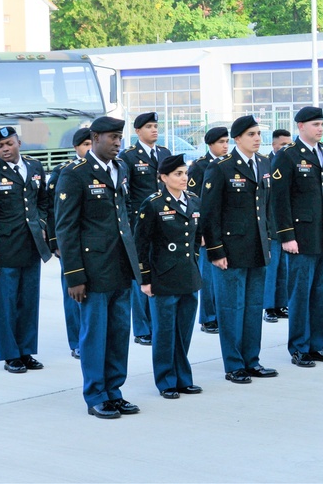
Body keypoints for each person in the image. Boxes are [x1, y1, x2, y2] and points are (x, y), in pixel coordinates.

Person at [54, 116, 143, 419]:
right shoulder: (75, 174)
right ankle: (95, 395)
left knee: (119, 333)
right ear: (94, 138)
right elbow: (66, 228)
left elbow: (124, 217)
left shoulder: (121, 169)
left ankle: (114, 392)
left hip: (120, 264)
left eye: (120, 137)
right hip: (92, 269)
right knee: (94, 335)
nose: (118, 143)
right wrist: (74, 276)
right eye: (112, 137)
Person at [202, 116, 278, 384]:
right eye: (251, 134)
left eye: (258, 134)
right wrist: (216, 250)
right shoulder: (221, 167)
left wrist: (269, 238)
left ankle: (251, 360)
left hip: (257, 246)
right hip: (230, 250)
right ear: (237, 139)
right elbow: (210, 213)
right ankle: (234, 364)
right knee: (231, 307)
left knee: (253, 306)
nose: (257, 139)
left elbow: (267, 207)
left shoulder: (264, 163)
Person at [0, 126, 52, 373]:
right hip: (4, 248)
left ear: (19, 142)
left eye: (9, 143)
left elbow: (43, 202)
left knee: (29, 302)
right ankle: (11, 355)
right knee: (6, 303)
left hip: (31, 246)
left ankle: (27, 351)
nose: (5, 149)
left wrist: (40, 224)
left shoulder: (35, 167)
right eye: (0, 146)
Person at [272, 106, 323, 367]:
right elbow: (280, 200)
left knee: (322, 292)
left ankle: (318, 345)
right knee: (300, 293)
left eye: (321, 123)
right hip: (301, 237)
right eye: (314, 124)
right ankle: (300, 347)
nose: (320, 128)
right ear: (300, 126)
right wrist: (287, 236)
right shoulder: (288, 155)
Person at [135, 154, 204, 398]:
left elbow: (196, 240)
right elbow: (141, 244)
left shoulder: (194, 201)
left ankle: (183, 378)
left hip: (188, 276)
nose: (184, 178)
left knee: (183, 332)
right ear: (163, 177)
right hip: (163, 277)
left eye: (185, 173)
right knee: (165, 333)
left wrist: (194, 263)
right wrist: (145, 279)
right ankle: (166, 380)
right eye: (178, 174)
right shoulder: (153, 204)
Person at [120, 111, 171, 346]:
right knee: (140, 274)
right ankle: (142, 328)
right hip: (139, 223)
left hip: (165, 221)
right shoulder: (128, 156)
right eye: (149, 126)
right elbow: (125, 193)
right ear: (137, 131)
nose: (154, 130)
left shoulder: (164, 153)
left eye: (156, 126)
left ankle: (158, 323)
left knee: (159, 270)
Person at [47, 127, 92, 359]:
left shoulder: (105, 171)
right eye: (85, 145)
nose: (90, 149)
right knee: (73, 295)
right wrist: (56, 243)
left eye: (92, 143)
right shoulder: (64, 172)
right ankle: (76, 341)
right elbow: (52, 211)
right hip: (71, 245)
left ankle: (92, 339)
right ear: (76, 148)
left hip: (95, 247)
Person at [187, 126, 229, 335]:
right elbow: (195, 200)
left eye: (227, 141)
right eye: (221, 142)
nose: (225, 146)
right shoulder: (199, 166)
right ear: (210, 144)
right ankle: (208, 317)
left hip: (225, 228)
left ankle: (220, 314)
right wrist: (200, 231)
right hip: (206, 228)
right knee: (208, 276)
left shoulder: (227, 164)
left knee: (222, 275)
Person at [263, 129, 292, 323]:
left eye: (289, 144)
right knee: (271, 269)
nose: (286, 148)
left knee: (284, 268)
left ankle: (281, 304)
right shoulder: (266, 163)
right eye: (282, 145)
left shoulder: (291, 161)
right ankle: (269, 307)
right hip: (270, 224)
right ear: (274, 145)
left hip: (287, 224)